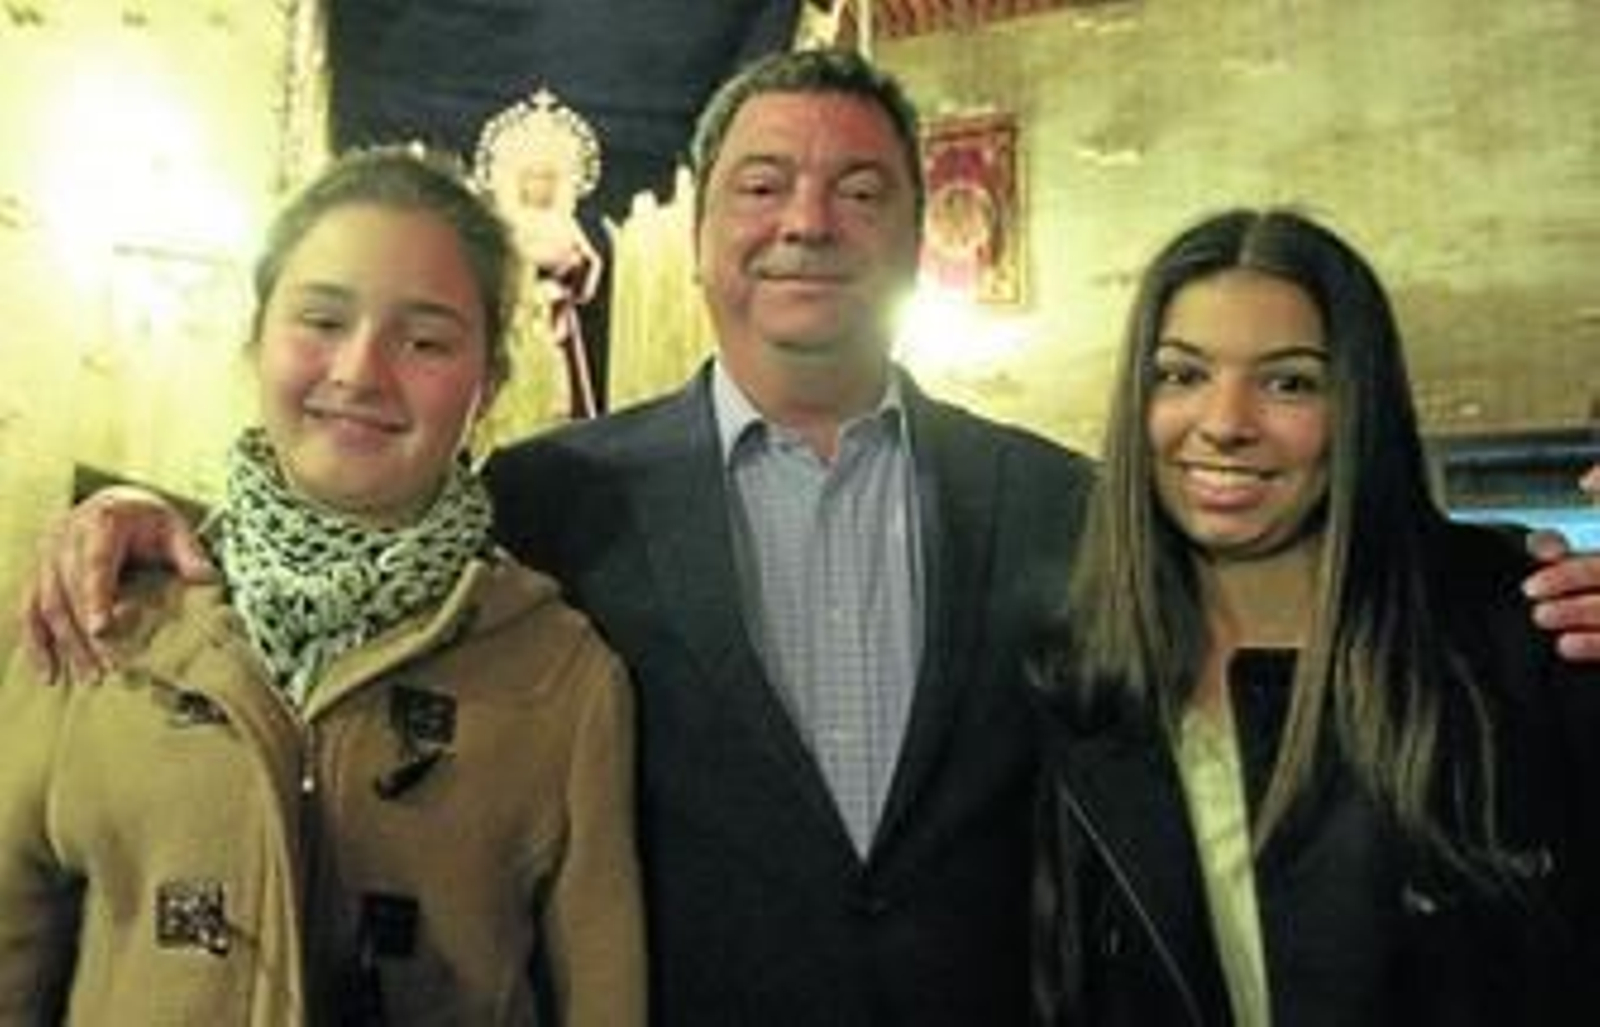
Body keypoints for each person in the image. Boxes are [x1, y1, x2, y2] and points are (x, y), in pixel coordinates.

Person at [15, 51, 1600, 1027]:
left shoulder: (1060, 503)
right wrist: (156, 519)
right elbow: (362, 534)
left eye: (860, 190)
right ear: (700, 227)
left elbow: (1308, 560)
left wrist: (1520, 587)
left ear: (919, 234)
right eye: (763, 182)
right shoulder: (559, 494)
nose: (807, 219)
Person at [0, 148, 645, 1025]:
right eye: (321, 320)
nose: (359, 372)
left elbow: (602, 996)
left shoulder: (560, 674)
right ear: (256, 337)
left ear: (488, 382)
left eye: (424, 340)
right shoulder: (100, 609)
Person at [1030, 208, 1600, 1026]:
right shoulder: (1082, 686)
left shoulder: (1522, 631)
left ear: (1356, 408)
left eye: (1288, 381)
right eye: (1182, 374)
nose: (1225, 423)